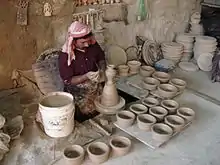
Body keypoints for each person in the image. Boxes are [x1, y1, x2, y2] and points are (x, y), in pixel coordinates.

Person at [58, 21, 106, 122]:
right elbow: (68, 80)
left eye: (88, 41)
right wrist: (86, 76)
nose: (87, 45)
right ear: (74, 41)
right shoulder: (65, 55)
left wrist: (102, 69)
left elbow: (101, 57)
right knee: (86, 115)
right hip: (77, 89)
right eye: (83, 42)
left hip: (94, 83)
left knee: (106, 101)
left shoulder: (92, 44)